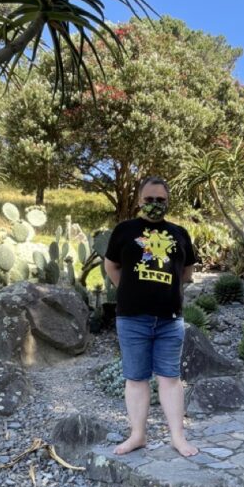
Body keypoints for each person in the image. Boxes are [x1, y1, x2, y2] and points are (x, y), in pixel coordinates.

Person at [104, 177, 199, 457]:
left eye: (161, 200)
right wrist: (130, 289)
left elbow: (187, 272)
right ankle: (138, 435)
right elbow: (111, 265)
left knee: (170, 378)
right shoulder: (124, 230)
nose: (155, 204)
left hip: (170, 319)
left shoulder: (180, 233)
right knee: (136, 378)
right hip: (132, 318)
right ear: (139, 200)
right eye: (149, 199)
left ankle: (178, 438)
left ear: (168, 202)